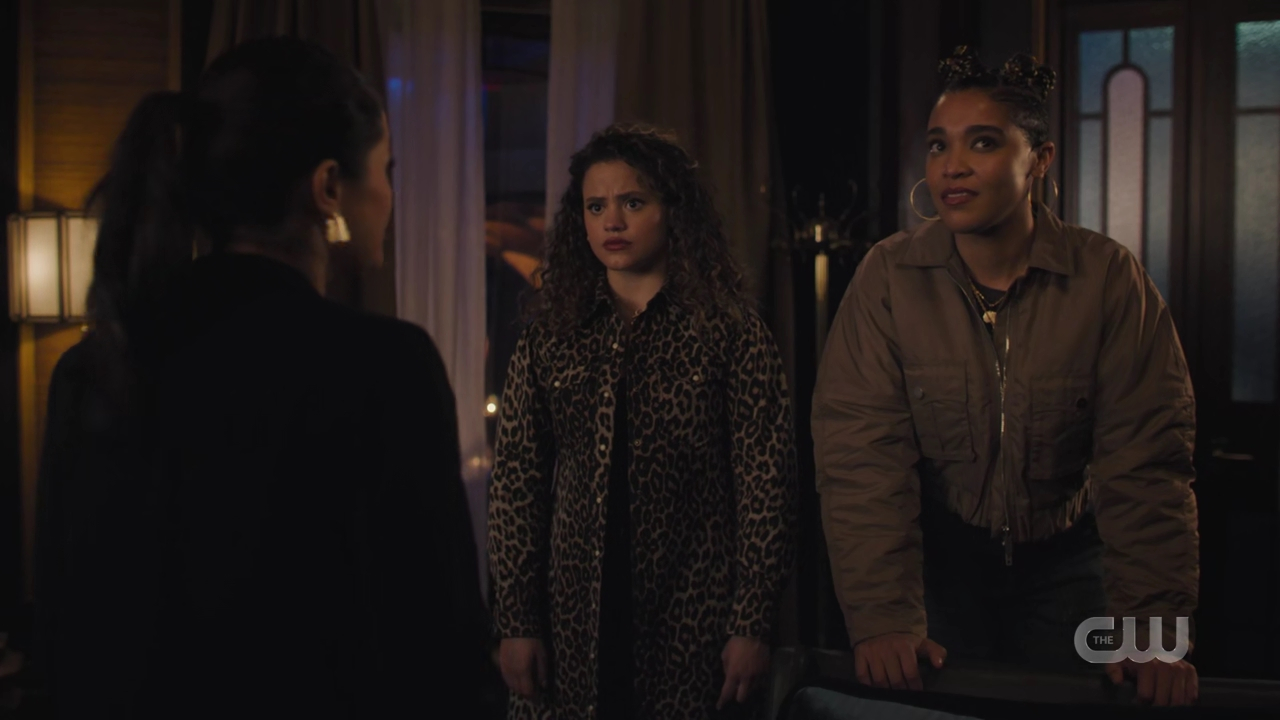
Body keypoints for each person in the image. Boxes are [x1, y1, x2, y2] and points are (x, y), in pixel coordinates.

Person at [33, 37, 488, 718]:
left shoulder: (92, 367)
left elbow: (63, 634)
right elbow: (437, 650)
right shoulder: (383, 367)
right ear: (329, 187)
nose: (390, 194)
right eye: (385, 169)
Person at [812, 47, 1200, 707]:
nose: (952, 166)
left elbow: (1147, 462)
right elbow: (860, 456)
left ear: (1039, 160)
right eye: (939, 145)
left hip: (1071, 566)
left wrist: (1154, 632)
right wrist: (881, 617)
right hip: (937, 570)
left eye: (983, 143)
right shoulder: (889, 278)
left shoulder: (1108, 278)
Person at [488, 124, 799, 719]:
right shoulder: (551, 338)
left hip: (692, 620)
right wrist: (517, 621)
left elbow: (767, 489)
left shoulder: (729, 333)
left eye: (633, 202)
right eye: (596, 206)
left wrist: (751, 623)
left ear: (671, 210)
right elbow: (516, 487)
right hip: (571, 622)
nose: (613, 221)